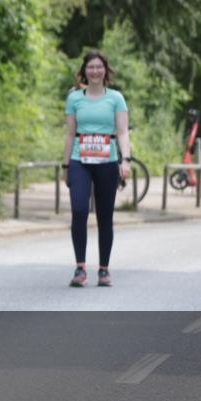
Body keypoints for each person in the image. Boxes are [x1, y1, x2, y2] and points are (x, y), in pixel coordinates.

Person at [61, 51, 131, 288]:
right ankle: (80, 267)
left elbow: (122, 132)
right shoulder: (74, 99)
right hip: (80, 160)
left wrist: (126, 160)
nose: (94, 71)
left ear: (105, 71)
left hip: (107, 161)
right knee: (79, 211)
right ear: (84, 71)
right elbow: (70, 133)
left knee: (105, 216)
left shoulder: (116, 98)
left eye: (99, 67)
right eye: (90, 67)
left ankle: (103, 269)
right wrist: (65, 165)